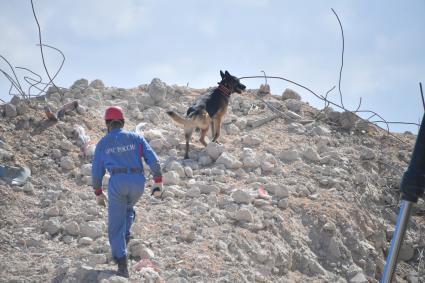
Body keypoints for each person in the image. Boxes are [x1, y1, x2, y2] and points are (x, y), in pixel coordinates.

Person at [91, 106, 163, 278]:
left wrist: (98, 191)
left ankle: (122, 263)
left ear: (108, 124)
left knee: (115, 225)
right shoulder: (136, 137)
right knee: (128, 208)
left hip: (117, 182)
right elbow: (153, 159)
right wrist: (158, 181)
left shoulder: (102, 143)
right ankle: (126, 236)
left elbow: (96, 170)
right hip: (138, 182)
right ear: (122, 122)